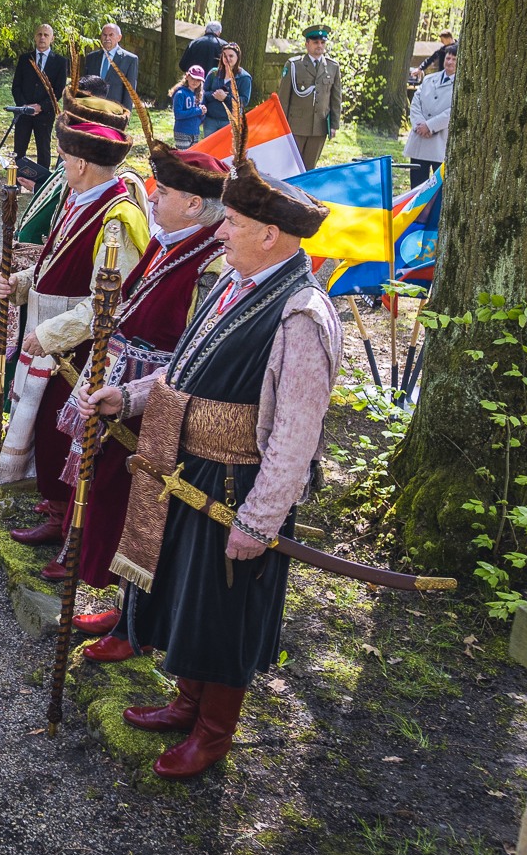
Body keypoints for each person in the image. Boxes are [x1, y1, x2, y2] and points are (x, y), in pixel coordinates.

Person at [86, 135, 340, 779]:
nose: (220, 230)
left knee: (225, 612)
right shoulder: (235, 282)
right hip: (192, 470)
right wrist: (130, 396)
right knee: (192, 596)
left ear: (272, 236)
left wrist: (261, 519)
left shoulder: (303, 316)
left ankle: (214, 733)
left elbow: (294, 434)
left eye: (232, 222)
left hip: (239, 488)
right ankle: (187, 701)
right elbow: (184, 374)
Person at [59, 114, 229, 661]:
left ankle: (137, 628)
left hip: (163, 402)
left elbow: (196, 349)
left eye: (168, 192)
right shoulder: (169, 240)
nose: (153, 200)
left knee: (149, 513)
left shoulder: (210, 263)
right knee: (124, 506)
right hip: (129, 390)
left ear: (196, 205)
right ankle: (126, 611)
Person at [0, 94, 148, 543]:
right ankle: (56, 505)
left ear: (80, 163)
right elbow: (54, 263)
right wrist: (20, 284)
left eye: (63, 158)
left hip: (79, 349)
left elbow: (109, 303)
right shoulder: (77, 196)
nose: (59, 165)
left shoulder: (117, 217)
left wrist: (48, 333)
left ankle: (69, 525)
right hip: (52, 338)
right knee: (45, 423)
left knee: (67, 431)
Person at [278, 25, 342, 167]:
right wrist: (282, 126)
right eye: (315, 42)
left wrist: (334, 125)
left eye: (322, 42)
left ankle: (303, 190)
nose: (319, 46)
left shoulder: (333, 67)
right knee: (291, 166)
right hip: (296, 126)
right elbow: (283, 98)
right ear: (307, 44)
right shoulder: (294, 65)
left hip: (319, 126)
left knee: (310, 166)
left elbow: (336, 99)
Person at [11, 25, 68, 167]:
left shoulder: (60, 62)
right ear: (35, 37)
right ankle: (16, 182)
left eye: (46, 35)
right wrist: (24, 106)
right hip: (23, 113)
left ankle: (42, 185)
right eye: (39, 34)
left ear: (52, 39)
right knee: (19, 149)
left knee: (43, 149)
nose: (42, 37)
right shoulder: (25, 59)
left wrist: (41, 106)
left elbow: (59, 89)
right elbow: (16, 86)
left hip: (45, 113)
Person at [405, 45, 456, 187]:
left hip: (439, 143)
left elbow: (452, 111)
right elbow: (415, 103)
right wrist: (420, 125)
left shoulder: (460, 85)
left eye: (454, 59)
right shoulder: (429, 79)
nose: (450, 62)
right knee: (416, 186)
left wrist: (430, 126)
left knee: (438, 189)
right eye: (448, 58)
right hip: (420, 139)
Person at [202, 43, 252, 137]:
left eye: (231, 56)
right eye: (224, 55)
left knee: (226, 151)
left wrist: (226, 98)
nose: (227, 58)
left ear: (237, 58)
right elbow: (203, 93)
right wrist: (215, 95)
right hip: (210, 121)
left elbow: (244, 101)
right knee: (208, 151)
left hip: (230, 122)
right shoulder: (214, 73)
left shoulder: (244, 78)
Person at [93, 24, 140, 109]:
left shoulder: (129, 60)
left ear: (119, 37)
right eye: (104, 35)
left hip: (114, 114)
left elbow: (129, 93)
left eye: (111, 35)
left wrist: (125, 116)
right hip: (91, 112)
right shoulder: (91, 58)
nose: (107, 38)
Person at [168, 66, 206, 148]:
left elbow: (199, 118)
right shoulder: (180, 93)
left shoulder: (199, 95)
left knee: (192, 158)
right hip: (182, 131)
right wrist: (197, 111)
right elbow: (178, 114)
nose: (195, 82)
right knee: (183, 158)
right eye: (192, 78)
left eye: (198, 80)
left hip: (195, 132)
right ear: (187, 76)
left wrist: (202, 113)